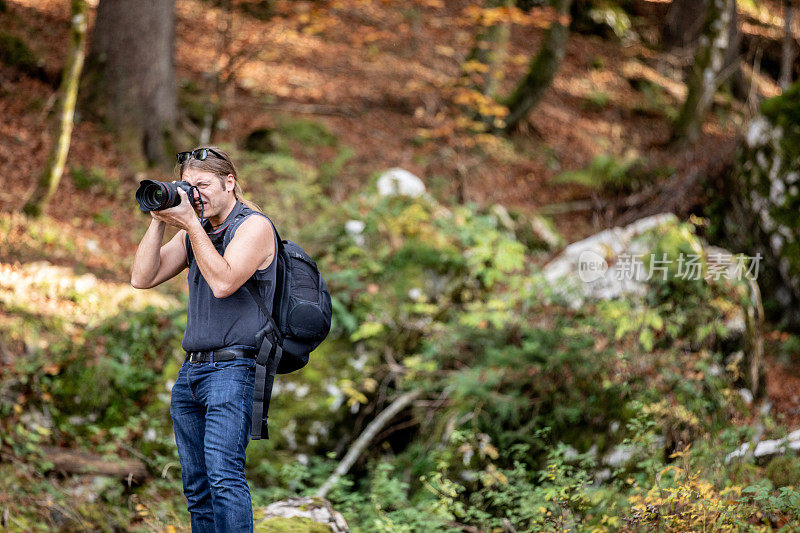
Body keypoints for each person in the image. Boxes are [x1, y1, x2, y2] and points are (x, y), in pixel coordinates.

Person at [130, 146, 276, 532]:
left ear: (230, 182)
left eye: (204, 184)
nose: (196, 194)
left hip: (234, 368)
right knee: (197, 487)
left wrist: (191, 225)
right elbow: (141, 278)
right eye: (189, 186)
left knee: (224, 479)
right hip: (192, 372)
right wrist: (159, 220)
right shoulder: (200, 230)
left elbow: (224, 282)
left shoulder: (253, 226)